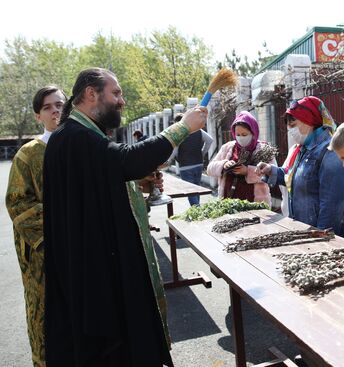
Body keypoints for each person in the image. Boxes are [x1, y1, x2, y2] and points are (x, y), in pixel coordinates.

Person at [42, 67, 207, 367]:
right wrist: (183, 127)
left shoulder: (77, 135)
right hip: (95, 278)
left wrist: (137, 184)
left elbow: (97, 189)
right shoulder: (76, 137)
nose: (122, 101)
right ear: (91, 94)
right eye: (115, 93)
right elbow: (127, 159)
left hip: (92, 265)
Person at [5, 86, 66, 367]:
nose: (56, 110)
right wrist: (60, 226)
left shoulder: (79, 145)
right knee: (45, 318)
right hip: (43, 254)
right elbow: (17, 203)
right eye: (48, 107)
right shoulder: (28, 154)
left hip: (83, 250)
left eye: (60, 104)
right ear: (38, 116)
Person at [257, 96, 344, 233]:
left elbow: (331, 205)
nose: (290, 131)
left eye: (293, 125)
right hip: (302, 229)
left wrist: (321, 236)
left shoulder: (329, 151)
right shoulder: (303, 148)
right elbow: (295, 177)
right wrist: (271, 170)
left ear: (309, 120)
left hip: (317, 235)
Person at [207, 111, 276, 206]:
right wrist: (223, 165)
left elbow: (273, 175)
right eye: (237, 135)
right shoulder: (227, 148)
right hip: (227, 203)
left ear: (253, 133)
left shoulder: (264, 150)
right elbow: (210, 169)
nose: (240, 138)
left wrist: (248, 171)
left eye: (244, 134)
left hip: (256, 206)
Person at [174, 112, 213, 205]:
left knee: (190, 191)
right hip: (198, 163)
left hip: (185, 166)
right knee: (196, 189)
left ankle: (197, 211)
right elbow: (210, 140)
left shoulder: (178, 133)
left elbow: (174, 150)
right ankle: (197, 211)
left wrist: (168, 161)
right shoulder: (197, 130)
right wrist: (202, 153)